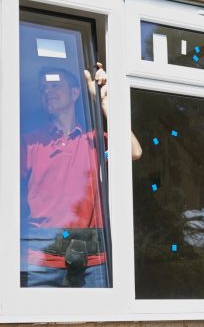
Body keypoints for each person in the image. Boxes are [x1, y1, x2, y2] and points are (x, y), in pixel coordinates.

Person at [20, 64, 141, 287]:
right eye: (42, 88)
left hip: (91, 261)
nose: (47, 91)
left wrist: (104, 102)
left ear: (75, 93)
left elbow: (134, 151)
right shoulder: (30, 142)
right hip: (40, 260)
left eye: (55, 85)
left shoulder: (93, 139)